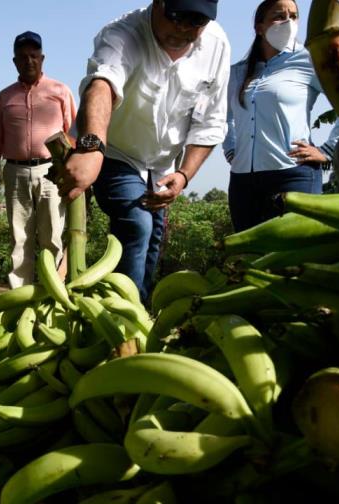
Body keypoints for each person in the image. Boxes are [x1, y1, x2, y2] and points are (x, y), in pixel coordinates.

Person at [60, 0, 230, 304]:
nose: (184, 30)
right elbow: (102, 84)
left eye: (196, 22)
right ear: (159, 3)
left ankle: (138, 310)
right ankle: (120, 319)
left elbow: (211, 122)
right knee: (137, 224)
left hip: (164, 163)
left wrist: (184, 174)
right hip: (115, 153)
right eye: (177, 17)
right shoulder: (123, 33)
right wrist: (93, 146)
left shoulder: (216, 44)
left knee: (152, 242)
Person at [223, 0, 339, 232]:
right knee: (247, 257)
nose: (288, 22)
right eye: (279, 16)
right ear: (259, 26)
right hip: (243, 182)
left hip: (293, 175)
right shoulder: (237, 72)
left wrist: (328, 151)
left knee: (295, 259)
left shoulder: (310, 60)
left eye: (294, 16)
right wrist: (230, 148)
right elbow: (224, 116)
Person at [0, 31, 77, 289]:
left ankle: (50, 297)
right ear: (14, 62)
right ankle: (19, 300)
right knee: (19, 239)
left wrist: (76, 174)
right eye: (23, 57)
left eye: (34, 56)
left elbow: (73, 135)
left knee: (52, 237)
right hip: (15, 172)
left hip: (51, 173)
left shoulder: (60, 91)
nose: (29, 61)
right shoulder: (4, 98)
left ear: (42, 58)